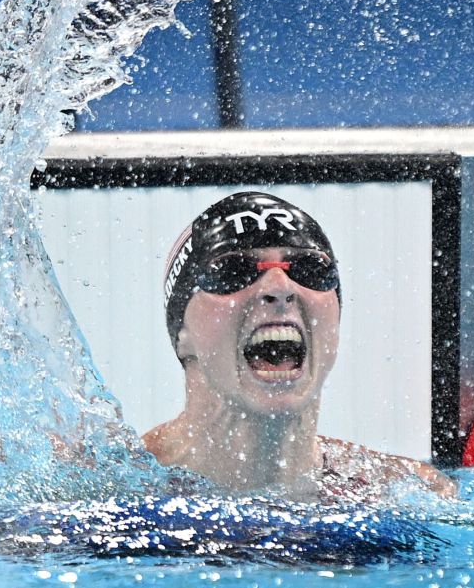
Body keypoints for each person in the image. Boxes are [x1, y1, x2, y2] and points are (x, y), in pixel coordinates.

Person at [143, 191, 456, 501]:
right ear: (182, 333)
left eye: (309, 269)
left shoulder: (407, 492)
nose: (280, 287)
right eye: (233, 271)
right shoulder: (122, 487)